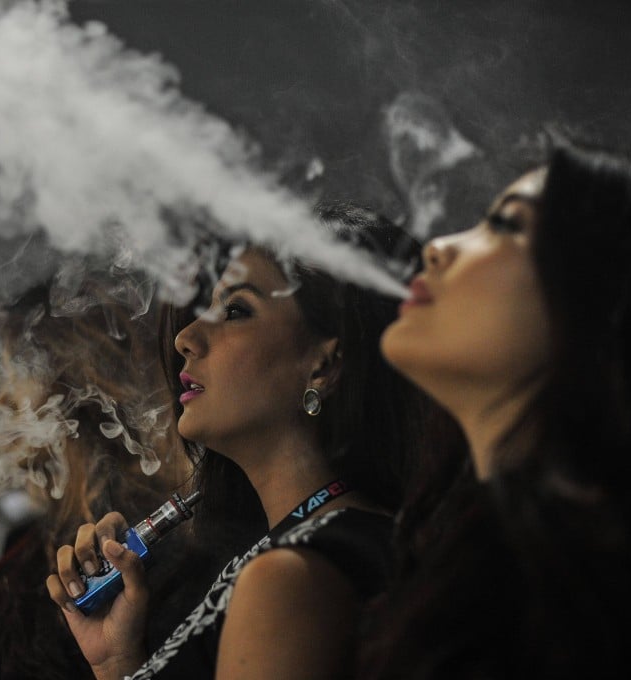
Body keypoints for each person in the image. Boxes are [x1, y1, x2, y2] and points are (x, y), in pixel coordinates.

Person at [47, 204, 442, 679]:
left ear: (324, 365)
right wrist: (117, 662)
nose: (185, 339)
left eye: (235, 310)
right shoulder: (292, 555)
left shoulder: (295, 577)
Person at [357, 140, 631, 679]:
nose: (437, 246)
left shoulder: (588, 599)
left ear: (606, 301)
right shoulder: (482, 549)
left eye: (508, 226)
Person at [0, 280, 218, 680]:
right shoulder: (27, 541)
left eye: (12, 376)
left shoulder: (137, 553)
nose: (0, 402)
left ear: (74, 389)